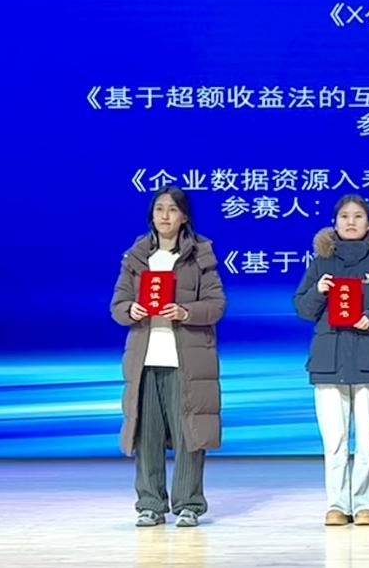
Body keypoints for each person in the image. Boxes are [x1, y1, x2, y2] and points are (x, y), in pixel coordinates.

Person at [111, 187, 226, 528]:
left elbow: (216, 305)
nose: (165, 215)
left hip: (186, 361)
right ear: (152, 215)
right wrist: (130, 310)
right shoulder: (136, 256)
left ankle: (189, 504)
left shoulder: (200, 254)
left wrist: (186, 312)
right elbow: (117, 305)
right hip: (146, 361)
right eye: (159, 209)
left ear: (184, 217)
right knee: (146, 437)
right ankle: (150, 504)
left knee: (190, 434)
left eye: (172, 210)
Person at [295, 194, 369, 526]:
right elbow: (302, 308)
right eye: (344, 216)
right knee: (335, 440)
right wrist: (318, 291)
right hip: (328, 363)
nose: (350, 222)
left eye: (358, 216)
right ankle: (336, 505)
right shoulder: (321, 263)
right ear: (334, 222)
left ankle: (364, 505)